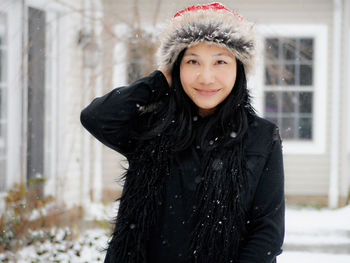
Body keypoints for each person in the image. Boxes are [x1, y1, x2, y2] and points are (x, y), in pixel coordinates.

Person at [80, 2, 285, 263]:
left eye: (220, 61)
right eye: (192, 61)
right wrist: (159, 80)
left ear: (239, 68)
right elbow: (95, 117)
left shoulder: (262, 137)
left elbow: (267, 233)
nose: (206, 77)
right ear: (176, 68)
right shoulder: (151, 127)